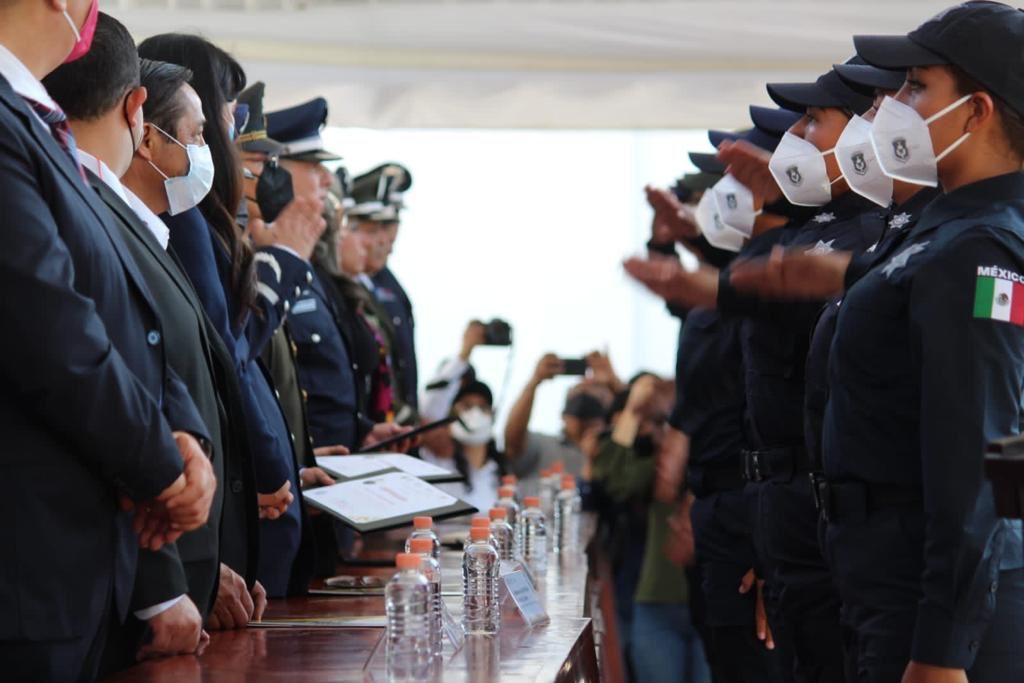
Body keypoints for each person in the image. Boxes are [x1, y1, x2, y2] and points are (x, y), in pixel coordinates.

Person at [741, 5, 1024, 680]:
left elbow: (984, 455)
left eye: (916, 86)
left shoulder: (980, 246)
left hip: (933, 605)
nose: (892, 107)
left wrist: (941, 649)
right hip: (884, 581)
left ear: (976, 111)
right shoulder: (938, 232)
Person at [628, 64, 887, 683]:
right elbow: (716, 306)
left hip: (798, 503)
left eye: (811, 122)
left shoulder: (857, 236)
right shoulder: (802, 241)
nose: (798, 137)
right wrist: (684, 245)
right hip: (764, 503)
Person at [41, 15, 266, 667]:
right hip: (118, 575)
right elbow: (109, 381)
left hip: (183, 561)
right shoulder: (91, 212)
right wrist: (165, 583)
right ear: (138, 114)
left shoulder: (138, 225)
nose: (210, 152)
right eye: (198, 135)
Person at [0, 3, 215, 680]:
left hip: (80, 574)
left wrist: (181, 434)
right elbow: (52, 332)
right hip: (32, 571)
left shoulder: (39, 129)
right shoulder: (14, 128)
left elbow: (122, 316)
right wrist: (164, 467)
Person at [137, 33, 323, 598]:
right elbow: (225, 357)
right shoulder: (184, 216)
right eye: (225, 112)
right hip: (232, 502)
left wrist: (287, 459)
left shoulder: (199, 216)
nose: (230, 128)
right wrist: (266, 465)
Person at [591, 374, 709, 683]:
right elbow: (610, 479)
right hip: (658, 604)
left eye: (662, 421)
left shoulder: (722, 462)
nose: (655, 431)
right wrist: (630, 412)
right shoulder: (658, 467)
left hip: (715, 604)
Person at [348, 163, 418, 418]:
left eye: (390, 224)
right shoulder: (346, 287)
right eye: (373, 228)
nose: (384, 239)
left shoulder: (388, 283)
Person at [503, 353, 615, 496]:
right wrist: (534, 382)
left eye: (593, 400)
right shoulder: (543, 445)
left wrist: (616, 386)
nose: (583, 406)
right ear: (563, 414)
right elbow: (513, 441)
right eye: (576, 399)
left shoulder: (615, 454)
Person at [423, 379, 508, 514]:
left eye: (483, 407)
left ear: (492, 415)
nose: (475, 413)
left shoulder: (499, 472)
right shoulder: (434, 464)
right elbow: (429, 410)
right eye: (467, 406)